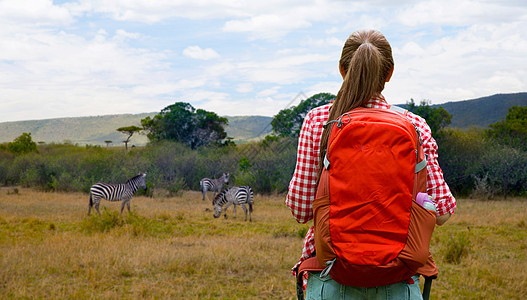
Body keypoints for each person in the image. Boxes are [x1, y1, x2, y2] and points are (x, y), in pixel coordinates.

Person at [286, 29, 457, 299]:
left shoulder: (319, 121)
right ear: (389, 74)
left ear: (343, 70)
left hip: (330, 275)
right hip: (398, 277)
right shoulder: (415, 125)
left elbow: (300, 209)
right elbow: (444, 212)